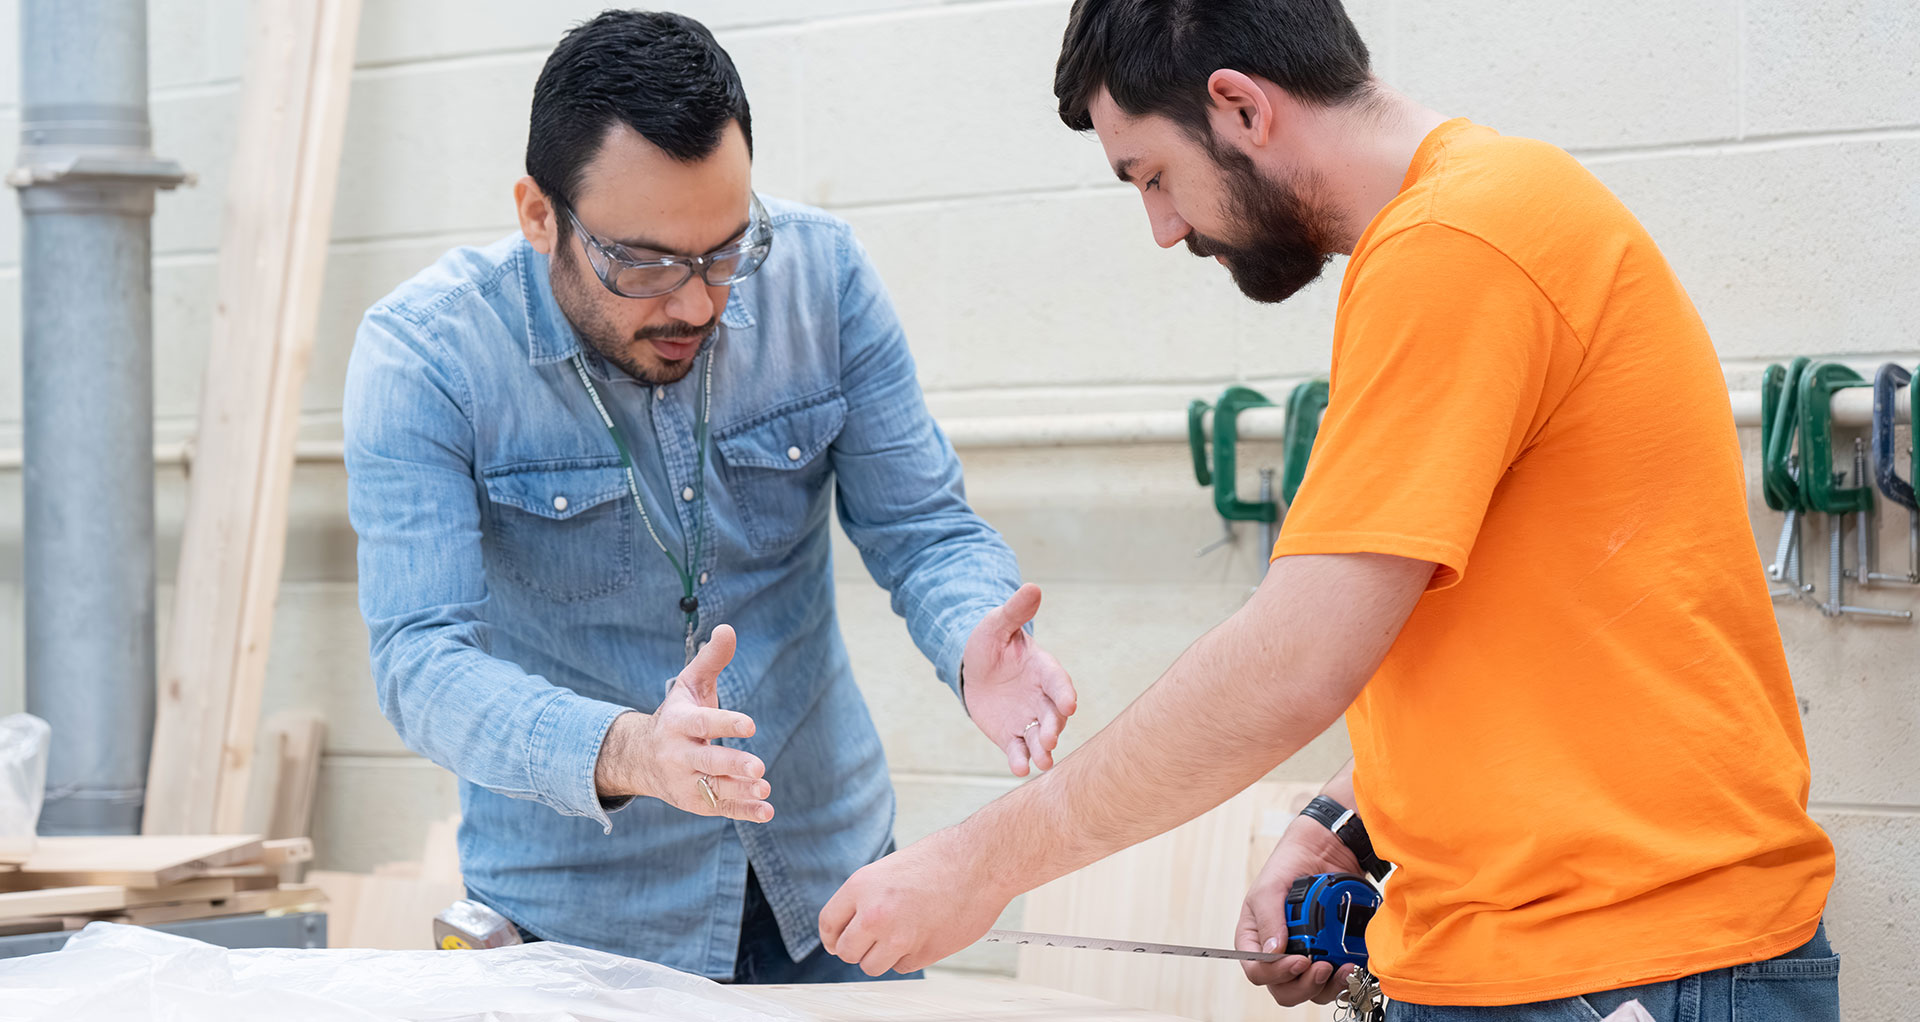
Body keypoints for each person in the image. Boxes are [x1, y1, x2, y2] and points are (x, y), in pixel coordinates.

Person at [816, 2, 1840, 1018]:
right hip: (1564, 957)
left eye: (1154, 176)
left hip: (1626, 964)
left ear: (1240, 107)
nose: (1164, 228)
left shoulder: (1458, 241)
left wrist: (979, 862)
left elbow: (1296, 659)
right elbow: (1521, 645)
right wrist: (1340, 827)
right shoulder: (1462, 227)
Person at [342, 9, 1076, 983]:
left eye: (726, 251)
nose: (695, 301)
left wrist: (972, 633)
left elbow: (924, 527)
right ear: (538, 214)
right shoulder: (427, 356)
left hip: (831, 883)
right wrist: (633, 751)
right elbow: (422, 659)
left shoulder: (824, 277)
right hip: (580, 918)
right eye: (644, 263)